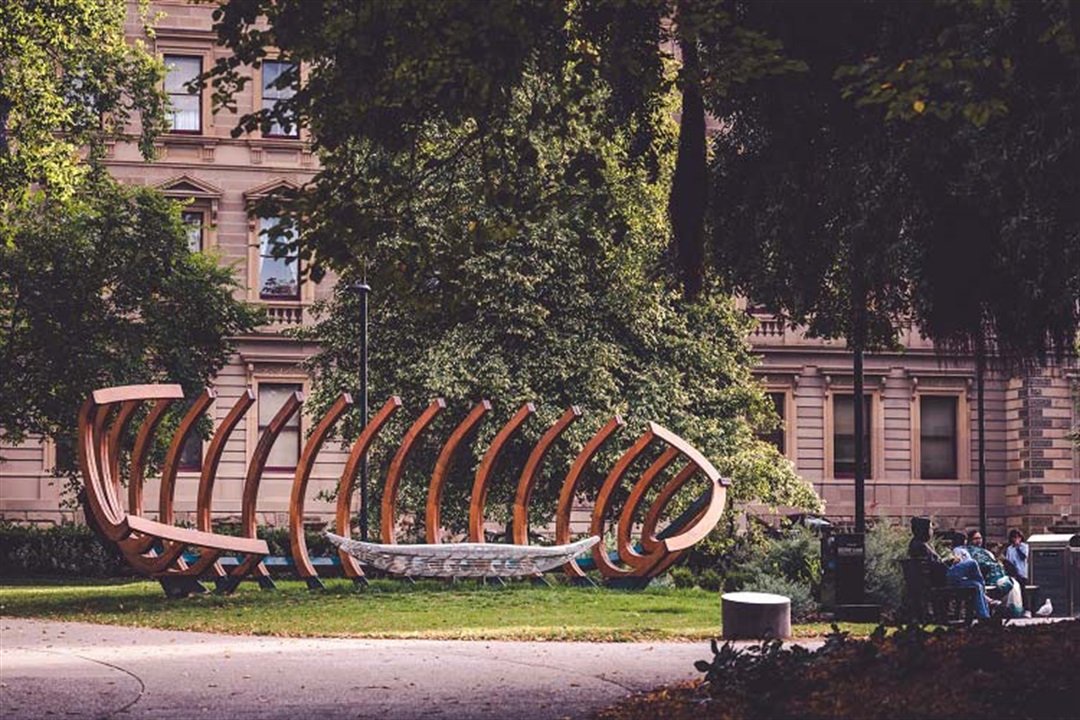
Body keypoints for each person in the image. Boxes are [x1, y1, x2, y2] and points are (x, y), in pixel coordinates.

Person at [908, 517, 990, 619]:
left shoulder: (919, 544)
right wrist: (950, 561)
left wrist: (948, 561)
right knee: (972, 563)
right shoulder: (921, 546)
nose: (932, 531)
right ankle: (985, 592)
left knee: (976, 585)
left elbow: (935, 564)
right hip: (942, 579)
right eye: (930, 528)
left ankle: (984, 617)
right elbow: (936, 567)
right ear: (923, 529)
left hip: (941, 578)